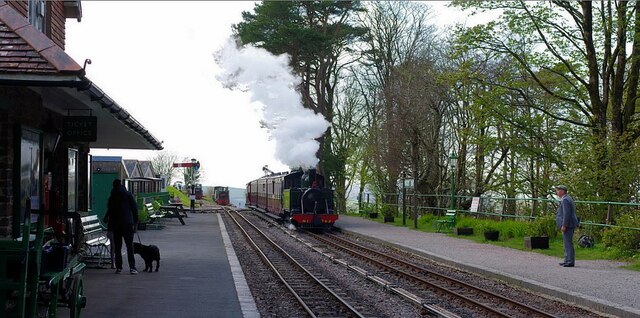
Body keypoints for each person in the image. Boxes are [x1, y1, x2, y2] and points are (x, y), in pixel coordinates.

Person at [103, 179, 139, 274]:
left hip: (116, 224)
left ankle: (119, 268)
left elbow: (110, 209)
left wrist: (106, 217)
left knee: (118, 247)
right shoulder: (128, 194)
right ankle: (132, 268)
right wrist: (136, 222)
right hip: (127, 223)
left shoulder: (112, 196)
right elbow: (134, 208)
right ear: (122, 185)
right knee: (129, 246)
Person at [555, 185, 579, 267]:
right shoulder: (568, 198)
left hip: (568, 224)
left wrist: (564, 225)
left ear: (562, 191)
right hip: (570, 223)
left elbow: (566, 214)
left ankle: (570, 261)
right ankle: (567, 259)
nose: (557, 192)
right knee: (566, 243)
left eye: (558, 190)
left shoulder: (565, 200)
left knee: (568, 243)